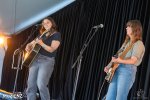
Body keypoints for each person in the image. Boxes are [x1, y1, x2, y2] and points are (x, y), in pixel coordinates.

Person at [104, 20, 145, 100]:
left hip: (127, 71)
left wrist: (120, 61)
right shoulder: (126, 43)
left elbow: (133, 61)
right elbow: (117, 56)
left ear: (135, 29)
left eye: (128, 26)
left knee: (120, 97)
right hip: (117, 69)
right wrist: (109, 66)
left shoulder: (139, 44)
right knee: (109, 97)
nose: (126, 28)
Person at [25, 17, 61, 100]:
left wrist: (41, 43)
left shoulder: (56, 34)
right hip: (35, 59)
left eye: (47, 22)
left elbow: (52, 49)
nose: (45, 24)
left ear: (52, 23)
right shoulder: (42, 34)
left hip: (47, 61)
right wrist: (28, 46)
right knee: (31, 85)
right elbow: (31, 43)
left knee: (41, 85)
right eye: (44, 23)